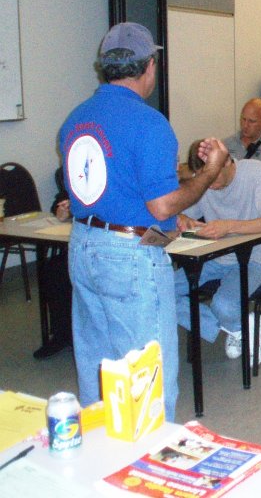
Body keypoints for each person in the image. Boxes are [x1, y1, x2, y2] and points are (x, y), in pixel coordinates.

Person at [59, 22, 229, 421]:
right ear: (149, 67)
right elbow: (162, 207)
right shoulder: (149, 123)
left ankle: (99, 459)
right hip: (128, 257)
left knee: (98, 368)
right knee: (144, 375)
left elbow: (112, 187)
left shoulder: (75, 119)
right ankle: (146, 469)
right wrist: (209, 172)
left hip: (83, 245)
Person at [174, 143, 261, 364]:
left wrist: (229, 226)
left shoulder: (254, 171)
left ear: (226, 161)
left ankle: (234, 322)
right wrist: (182, 218)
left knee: (223, 304)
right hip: (215, 256)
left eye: (212, 178)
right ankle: (239, 327)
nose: (209, 187)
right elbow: (181, 211)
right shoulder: (204, 180)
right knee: (159, 290)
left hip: (255, 259)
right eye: (205, 180)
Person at [33, 168, 73, 359]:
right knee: (54, 270)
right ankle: (61, 334)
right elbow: (58, 204)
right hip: (82, 247)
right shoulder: (79, 179)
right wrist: (62, 210)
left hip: (111, 245)